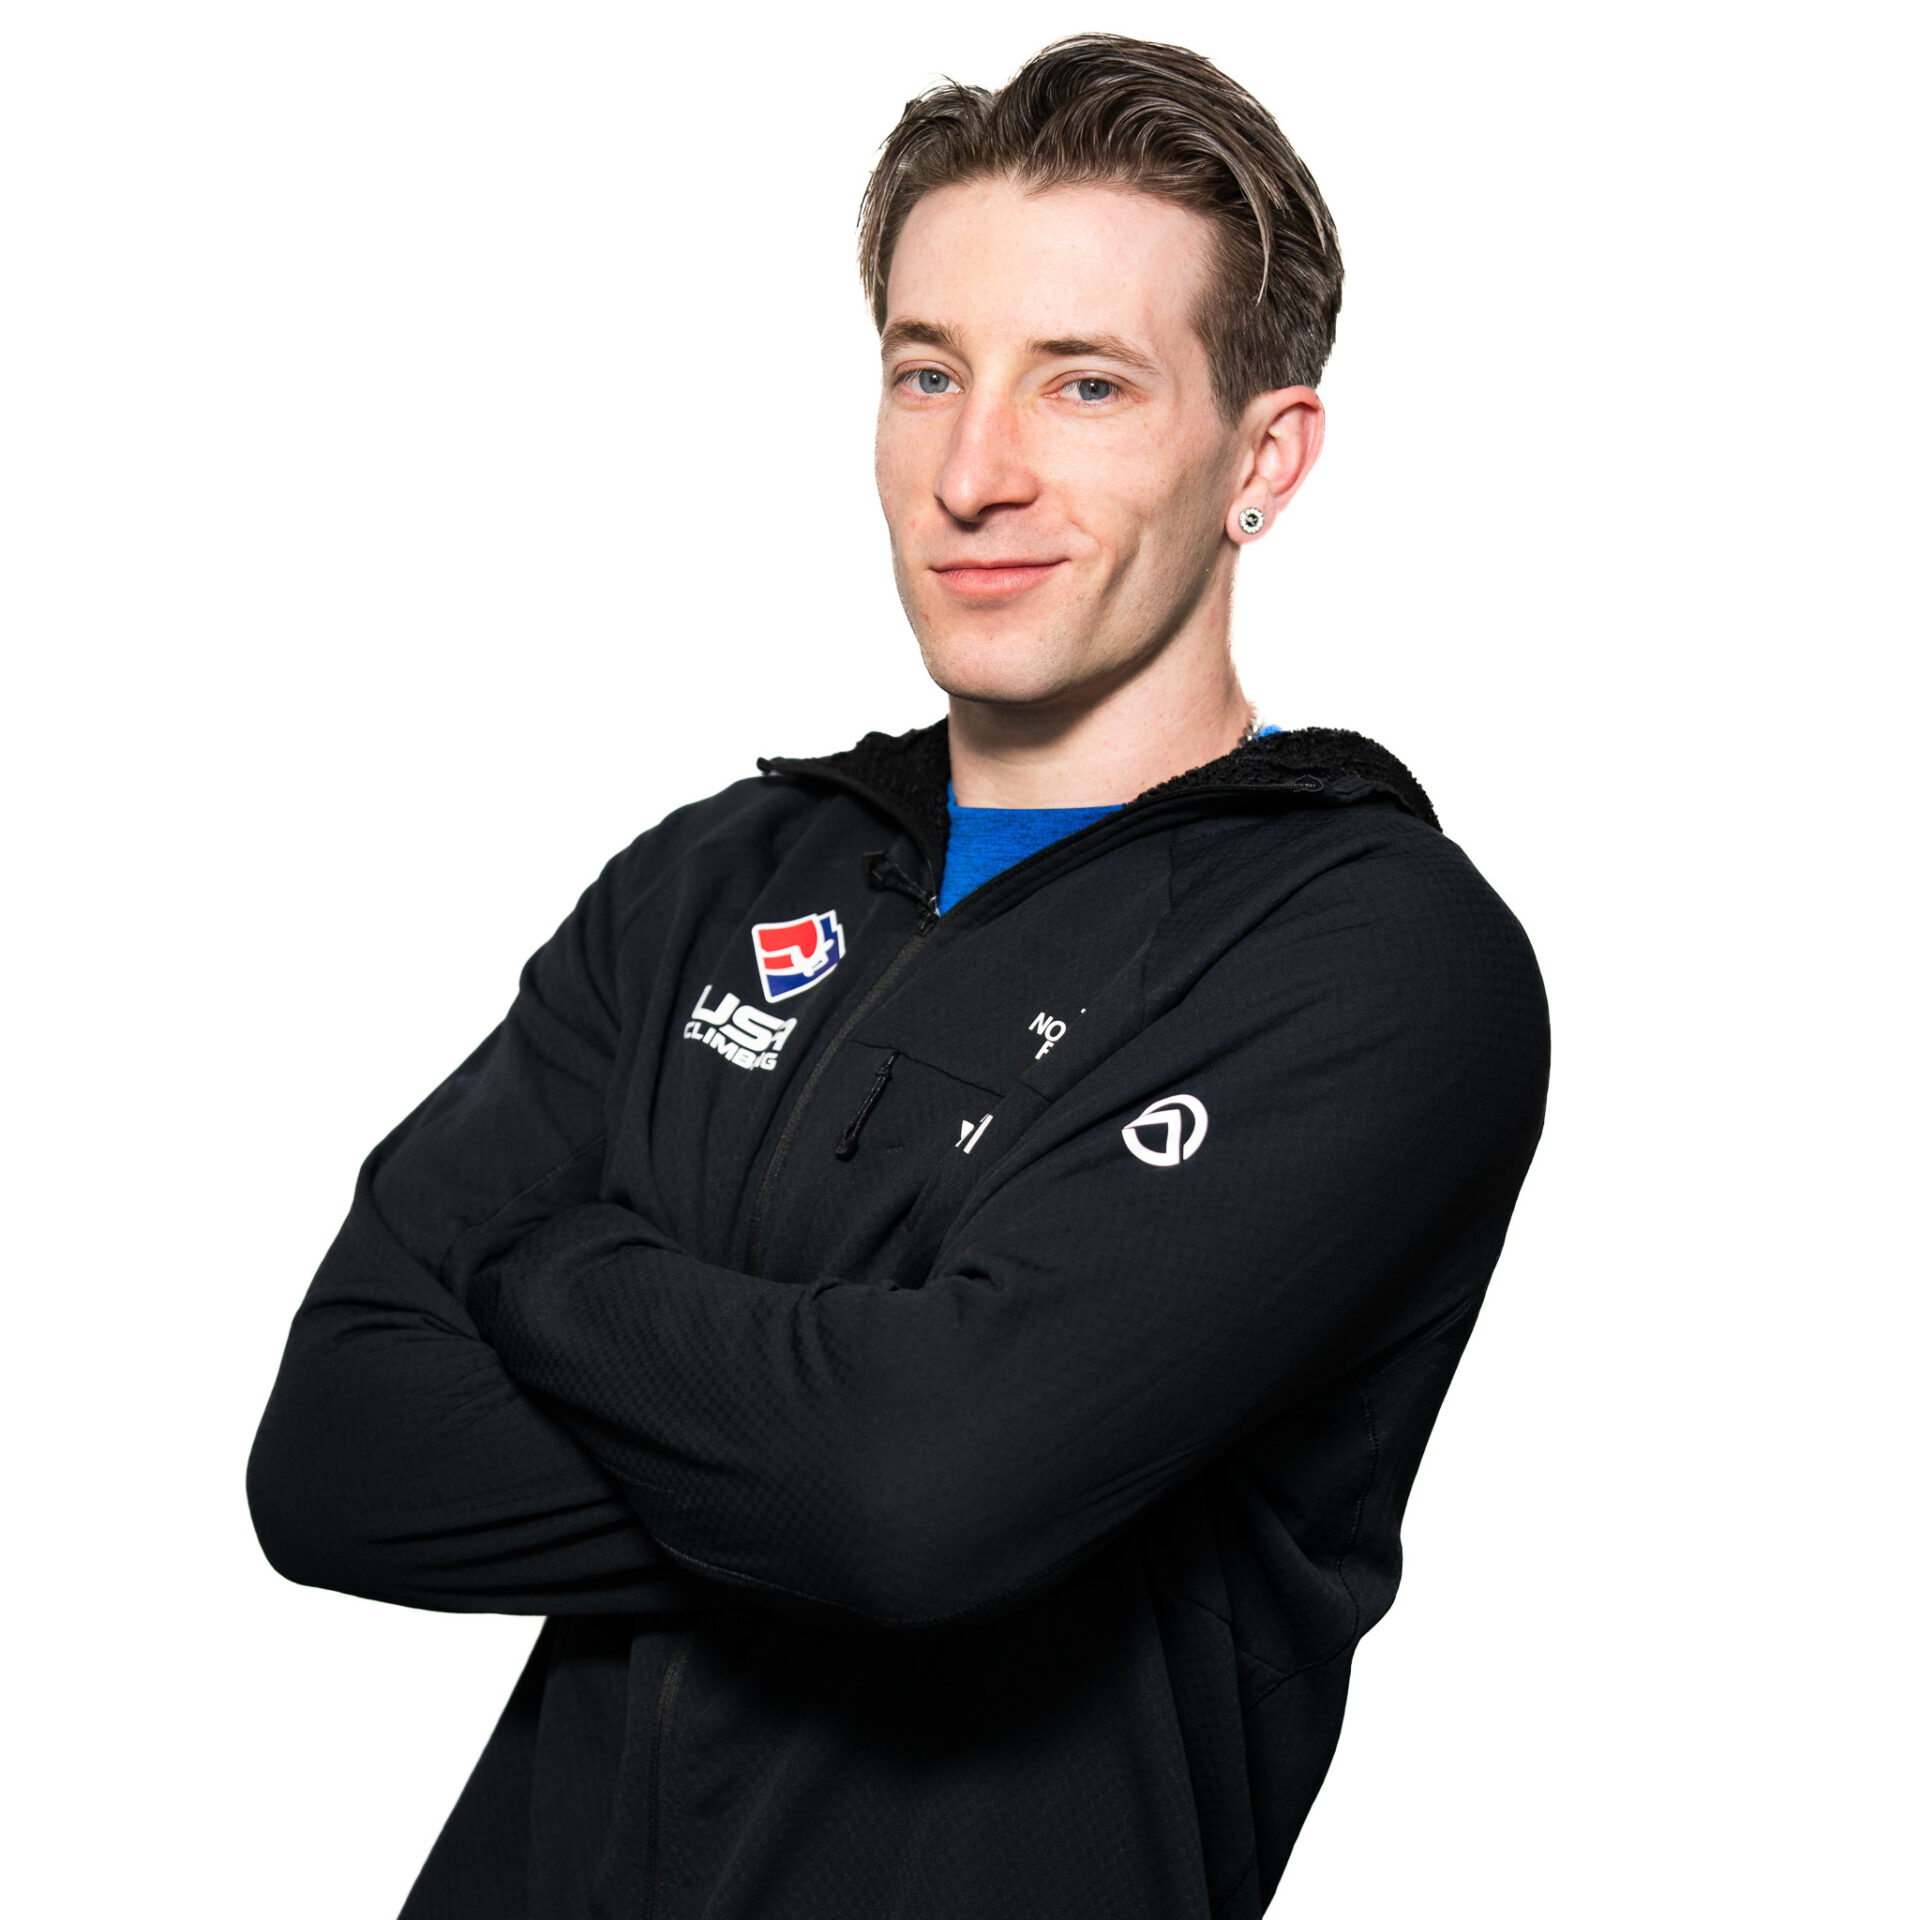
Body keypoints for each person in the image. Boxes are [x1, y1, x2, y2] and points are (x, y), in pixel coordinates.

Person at [248, 33, 1549, 1919]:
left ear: (1262, 459)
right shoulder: (715, 875)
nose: (974, 473)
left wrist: (547, 1272)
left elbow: (916, 1499)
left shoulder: (1369, 956)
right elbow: (336, 1456)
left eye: (1085, 384)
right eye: (928, 372)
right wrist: (839, 1458)